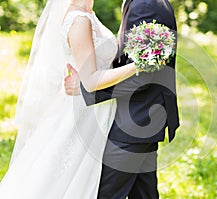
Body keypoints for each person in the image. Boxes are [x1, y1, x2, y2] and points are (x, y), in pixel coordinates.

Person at [0, 0, 138, 198]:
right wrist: (138, 66)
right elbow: (90, 82)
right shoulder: (79, 20)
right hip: (83, 113)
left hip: (96, 108)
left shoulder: (88, 12)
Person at [65, 0, 180, 198]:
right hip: (141, 116)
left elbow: (145, 73)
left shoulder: (146, 4)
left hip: (135, 119)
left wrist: (88, 89)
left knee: (103, 193)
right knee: (144, 193)